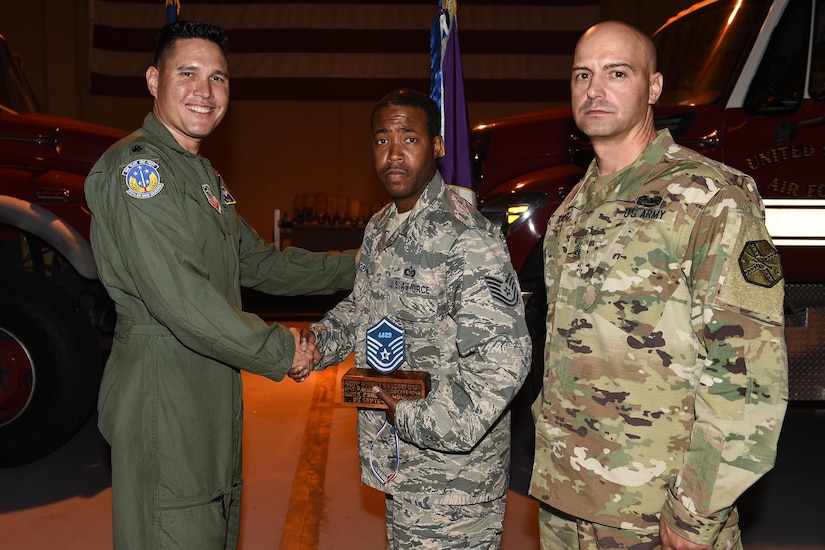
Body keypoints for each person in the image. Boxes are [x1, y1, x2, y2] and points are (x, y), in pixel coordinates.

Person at [84, 21, 356, 549]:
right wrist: (282, 350)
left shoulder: (201, 175)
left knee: (211, 518)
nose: (204, 93)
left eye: (218, 79)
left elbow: (257, 265)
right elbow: (180, 299)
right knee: (176, 525)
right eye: (187, 74)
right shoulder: (139, 172)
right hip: (163, 381)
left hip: (208, 374)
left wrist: (359, 262)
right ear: (152, 80)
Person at [529, 21, 788, 549]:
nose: (594, 89)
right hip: (566, 503)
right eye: (582, 75)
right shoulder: (572, 211)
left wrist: (696, 513)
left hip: (656, 515)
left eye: (616, 73)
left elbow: (747, 371)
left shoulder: (712, 199)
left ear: (653, 88)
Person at [289, 88, 531, 549]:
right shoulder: (380, 227)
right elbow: (364, 308)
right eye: (382, 140)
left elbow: (505, 359)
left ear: (437, 146)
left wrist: (414, 418)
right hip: (402, 466)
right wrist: (319, 342)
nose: (394, 154)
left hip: (455, 485)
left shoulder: (466, 236)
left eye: (409, 139)